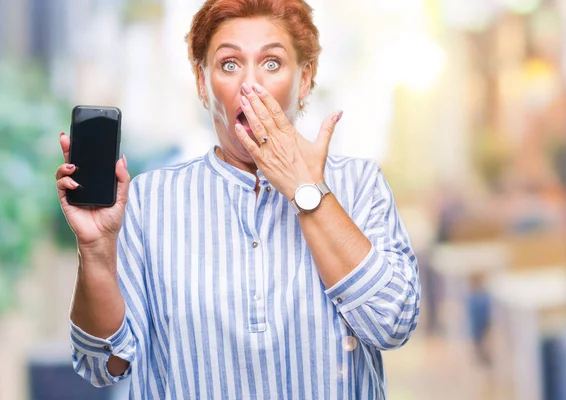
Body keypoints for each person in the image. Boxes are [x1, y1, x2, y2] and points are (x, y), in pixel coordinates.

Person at [55, 0, 420, 398]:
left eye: (272, 63)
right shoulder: (149, 200)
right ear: (202, 82)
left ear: (306, 78)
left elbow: (392, 323)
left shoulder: (360, 184)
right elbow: (100, 364)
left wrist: (307, 191)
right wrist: (95, 250)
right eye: (229, 64)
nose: (251, 85)